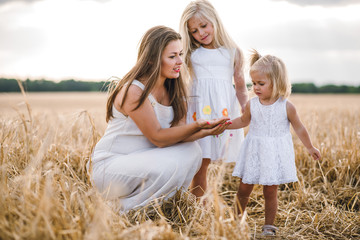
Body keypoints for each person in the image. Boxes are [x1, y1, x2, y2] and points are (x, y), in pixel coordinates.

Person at [88, 25, 230, 212]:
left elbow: (178, 135)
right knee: (168, 166)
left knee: (193, 151)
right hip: (111, 168)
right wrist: (196, 125)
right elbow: (158, 137)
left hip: (145, 162)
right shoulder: (134, 90)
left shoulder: (175, 90)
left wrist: (205, 131)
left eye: (180, 54)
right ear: (151, 60)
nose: (180, 61)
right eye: (172, 56)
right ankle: (123, 209)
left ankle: (158, 207)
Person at [226, 50, 321, 236]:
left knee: (270, 193)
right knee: (243, 189)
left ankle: (268, 226)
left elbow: (299, 128)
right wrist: (225, 125)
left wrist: (310, 147)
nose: (256, 87)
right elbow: (243, 121)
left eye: (261, 83)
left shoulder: (286, 106)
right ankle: (235, 221)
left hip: (274, 154)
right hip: (254, 151)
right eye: (253, 83)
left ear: (277, 82)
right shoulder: (252, 104)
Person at [179, 0, 249, 198]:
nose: (200, 33)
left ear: (215, 21)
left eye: (204, 26)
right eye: (194, 31)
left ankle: (208, 206)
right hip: (199, 110)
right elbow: (182, 83)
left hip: (223, 110)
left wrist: (246, 107)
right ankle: (196, 207)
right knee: (200, 161)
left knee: (211, 160)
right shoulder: (191, 53)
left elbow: (241, 86)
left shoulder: (233, 52)